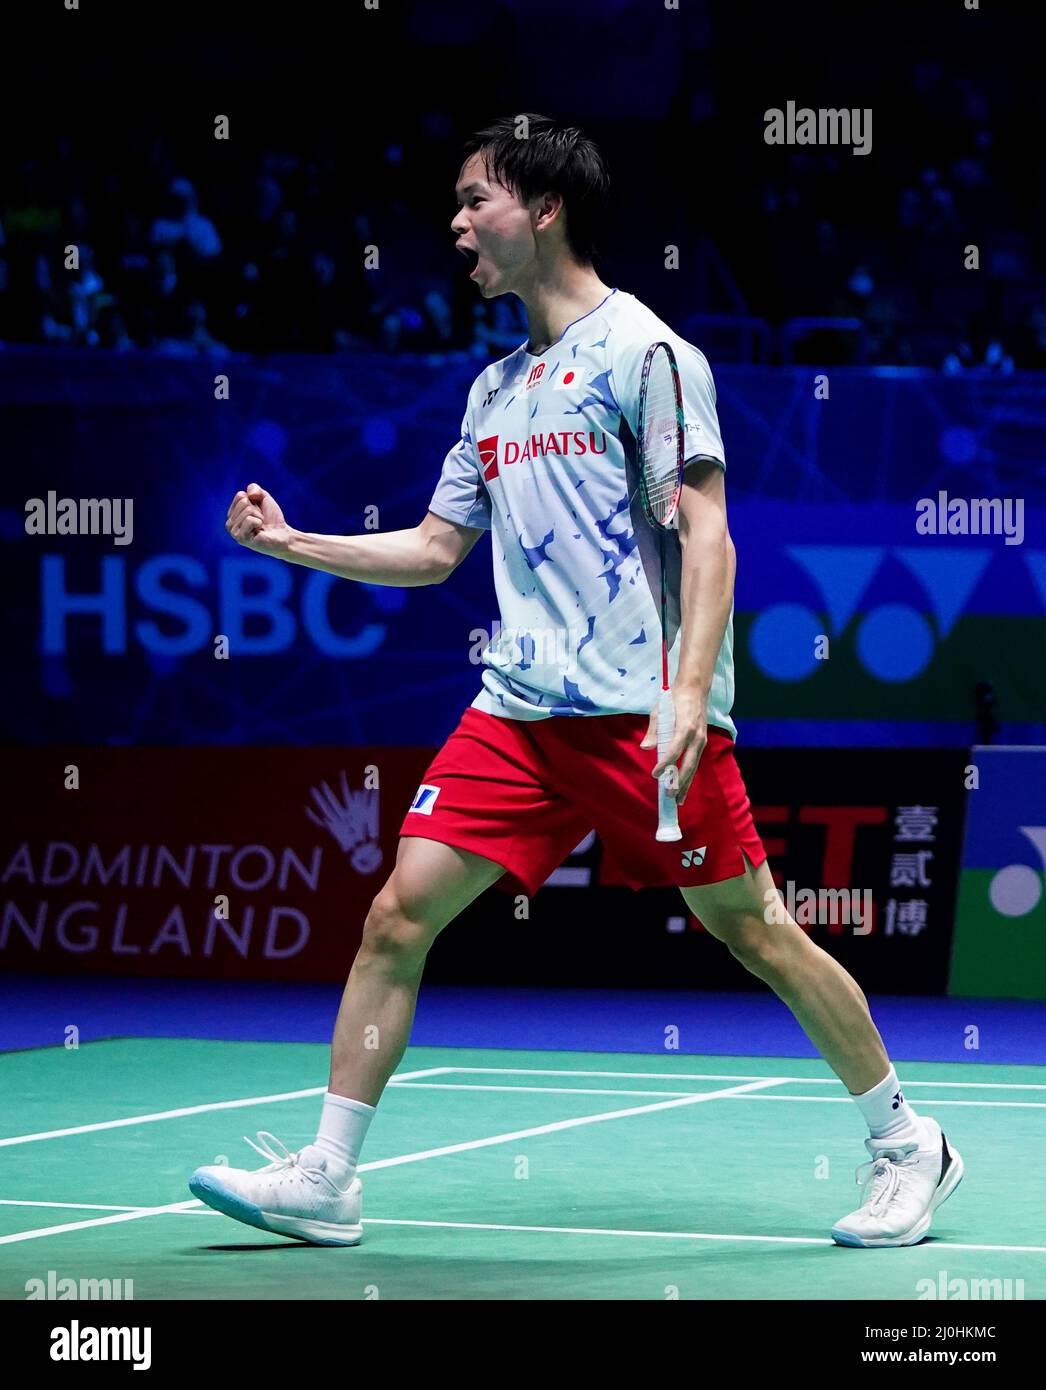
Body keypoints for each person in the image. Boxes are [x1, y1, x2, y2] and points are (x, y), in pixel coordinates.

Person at [190, 114, 963, 1249]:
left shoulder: (643, 354)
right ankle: (327, 1174)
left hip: (637, 712)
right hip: (515, 713)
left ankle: (908, 1144)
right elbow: (433, 549)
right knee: (396, 916)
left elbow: (708, 537)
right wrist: (293, 544)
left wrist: (689, 692)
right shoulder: (494, 390)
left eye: (474, 200)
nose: (455, 225)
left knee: (752, 929)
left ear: (543, 208)